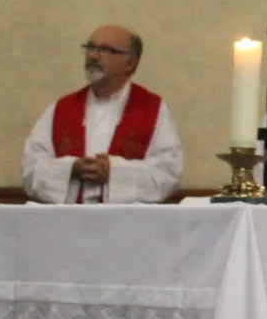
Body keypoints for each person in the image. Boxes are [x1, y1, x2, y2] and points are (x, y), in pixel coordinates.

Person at [22, 25, 183, 204]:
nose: (93, 56)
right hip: (70, 218)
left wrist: (115, 172)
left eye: (105, 50)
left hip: (127, 219)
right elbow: (31, 169)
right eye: (90, 47)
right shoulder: (61, 109)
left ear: (131, 63)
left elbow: (168, 172)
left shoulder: (152, 109)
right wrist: (71, 169)